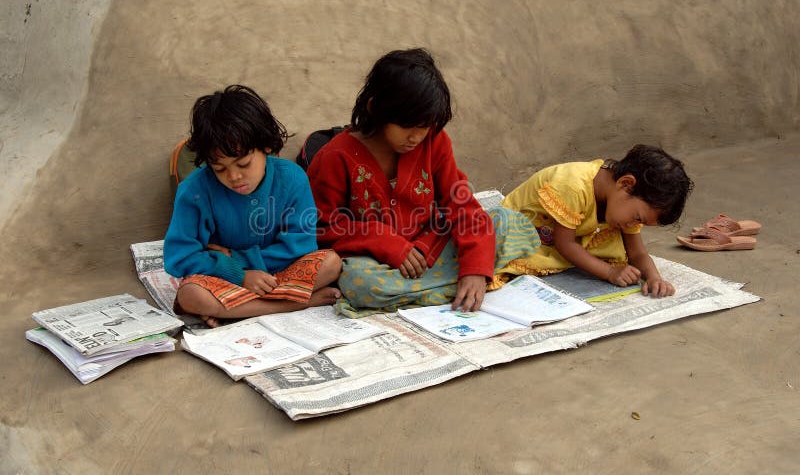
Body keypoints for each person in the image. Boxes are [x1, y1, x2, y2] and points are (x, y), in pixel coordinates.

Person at [307, 48, 539, 317]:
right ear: (375, 109)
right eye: (408, 126)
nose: (416, 137)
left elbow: (460, 204)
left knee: (506, 222)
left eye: (425, 126)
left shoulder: (435, 141)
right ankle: (450, 286)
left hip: (431, 246)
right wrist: (385, 242)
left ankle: (449, 285)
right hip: (377, 261)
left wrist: (475, 269)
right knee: (360, 283)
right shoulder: (335, 157)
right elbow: (323, 228)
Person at [164, 85, 342, 327]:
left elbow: (301, 244)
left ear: (266, 147)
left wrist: (238, 260)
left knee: (331, 263)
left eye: (244, 164)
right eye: (220, 169)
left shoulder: (292, 178)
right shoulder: (194, 191)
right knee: (191, 295)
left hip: (278, 273)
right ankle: (299, 303)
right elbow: (178, 257)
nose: (234, 176)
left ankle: (239, 310)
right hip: (227, 278)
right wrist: (239, 274)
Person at [500, 144, 693, 297]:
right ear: (626, 184)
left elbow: (637, 252)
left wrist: (654, 278)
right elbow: (564, 243)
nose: (634, 226)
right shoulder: (573, 186)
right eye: (637, 218)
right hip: (527, 227)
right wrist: (610, 272)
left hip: (569, 232)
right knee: (504, 252)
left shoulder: (623, 203)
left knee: (614, 242)